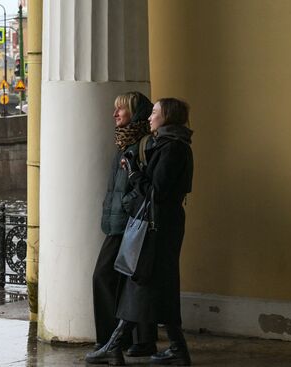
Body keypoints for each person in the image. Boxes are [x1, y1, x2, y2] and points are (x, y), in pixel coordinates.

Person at [86, 98, 194, 366]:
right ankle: (177, 348)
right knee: (155, 285)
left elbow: (156, 191)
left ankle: (114, 345)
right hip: (161, 225)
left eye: (154, 113)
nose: (150, 118)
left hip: (157, 226)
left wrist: (134, 173)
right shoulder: (169, 146)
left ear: (166, 117)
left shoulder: (172, 149)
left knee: (140, 282)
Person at [91, 91, 154, 356]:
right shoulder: (125, 142)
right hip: (121, 223)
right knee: (131, 281)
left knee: (105, 276)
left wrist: (127, 206)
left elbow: (146, 186)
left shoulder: (145, 145)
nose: (115, 114)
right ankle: (138, 340)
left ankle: (110, 340)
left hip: (131, 223)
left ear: (135, 114)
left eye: (121, 109)